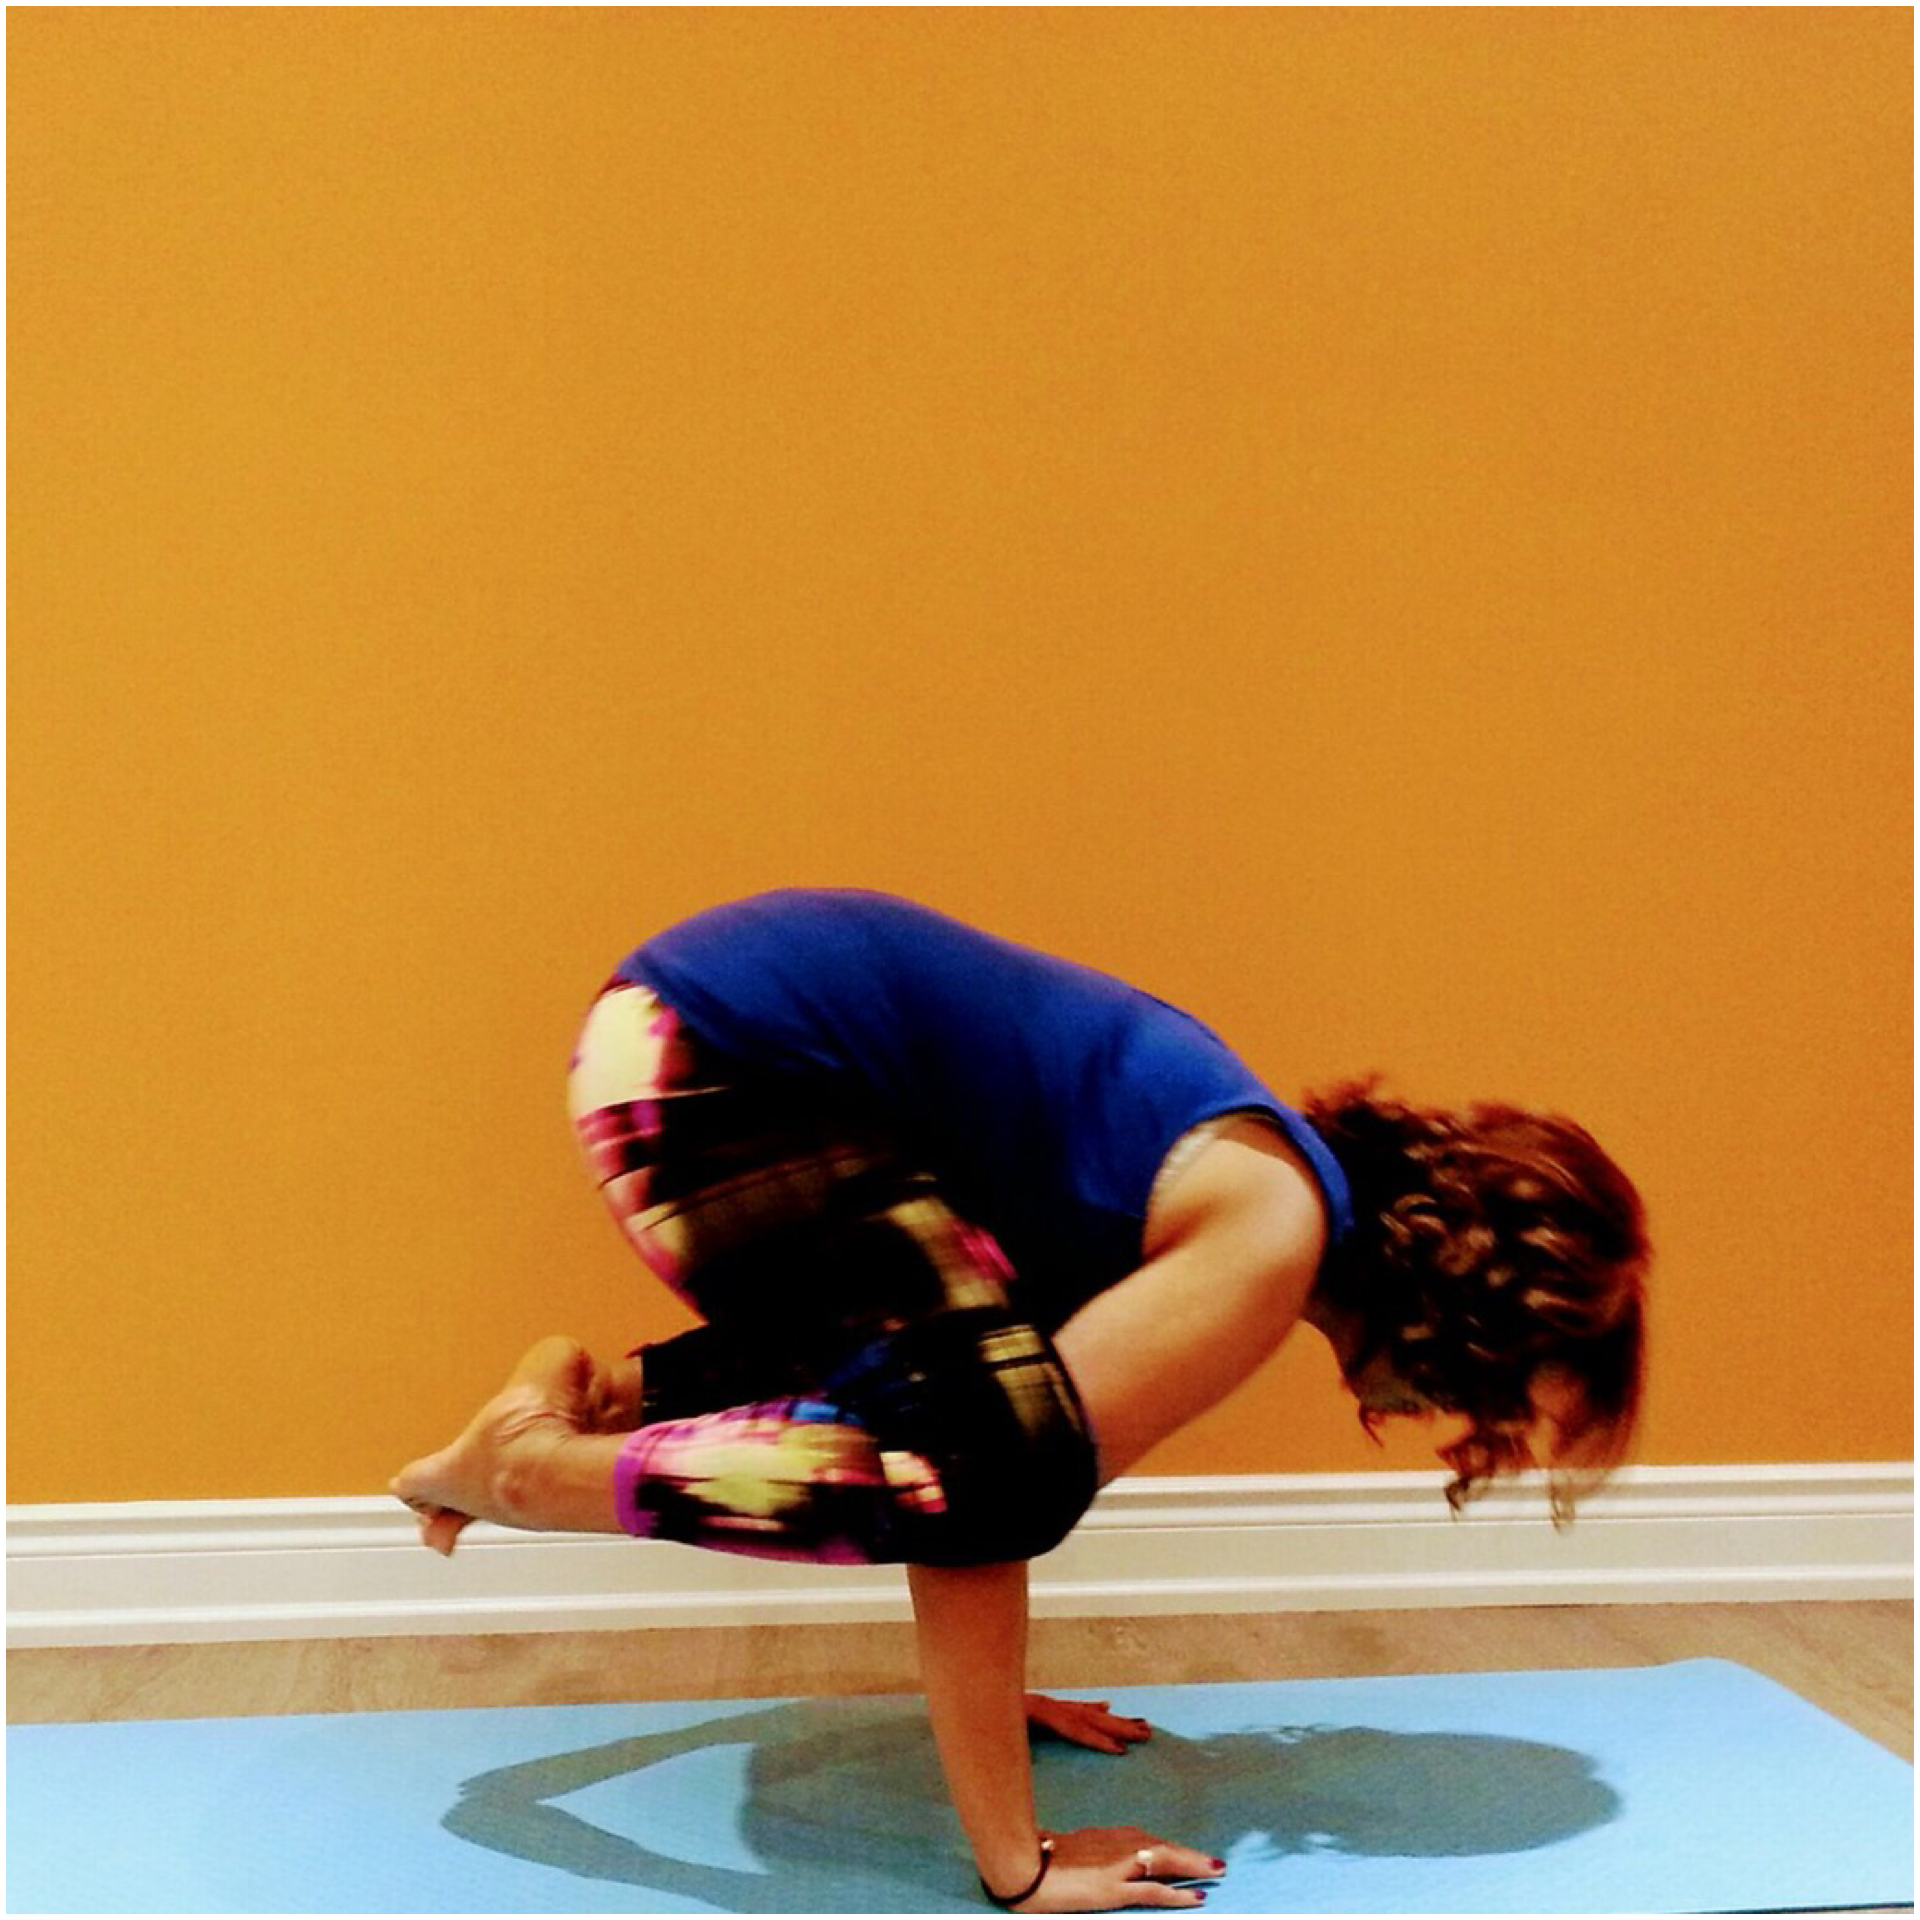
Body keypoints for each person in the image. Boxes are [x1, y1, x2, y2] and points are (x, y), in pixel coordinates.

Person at [393, 888, 1648, 1914]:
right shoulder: (1273, 1228)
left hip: (677, 1036)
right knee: (996, 1470)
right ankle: (533, 1473)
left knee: (965, 1404)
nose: (1447, 1417)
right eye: (1486, 1391)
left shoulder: (1243, 1172)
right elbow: (994, 1497)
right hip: (730, 1065)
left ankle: (587, 1399)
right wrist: (1021, 1862)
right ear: (1459, 1315)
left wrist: (990, 1700)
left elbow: (955, 1387)